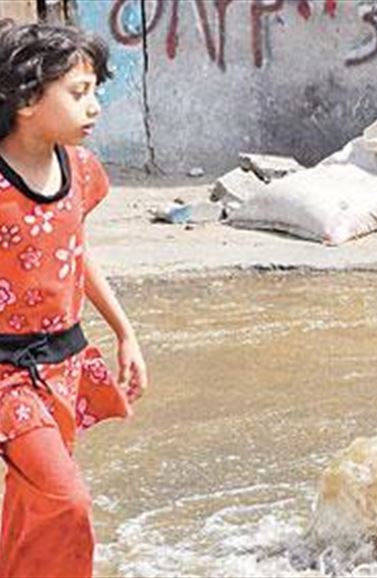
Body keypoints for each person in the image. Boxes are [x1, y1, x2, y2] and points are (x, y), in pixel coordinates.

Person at [0, 19, 148, 578]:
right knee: (67, 501)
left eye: (95, 92)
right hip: (5, 373)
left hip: (61, 363)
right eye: (79, 93)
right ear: (27, 98)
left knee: (33, 498)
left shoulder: (80, 170)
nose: (95, 107)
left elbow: (73, 251)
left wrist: (125, 332)